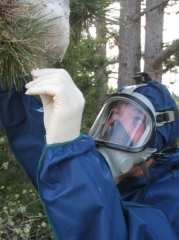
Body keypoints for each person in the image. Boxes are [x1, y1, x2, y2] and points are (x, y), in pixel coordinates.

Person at [0, 68, 179, 240]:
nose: (116, 127)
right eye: (114, 114)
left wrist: (69, 153)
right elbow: (44, 151)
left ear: (158, 139)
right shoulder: (96, 169)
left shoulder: (172, 197)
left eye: (136, 120)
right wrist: (8, 81)